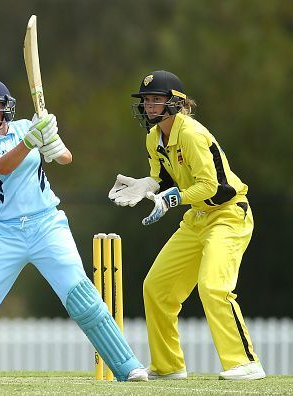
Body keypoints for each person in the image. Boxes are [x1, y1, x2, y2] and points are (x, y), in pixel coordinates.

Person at [0, 78, 147, 382]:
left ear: (5, 108)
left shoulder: (25, 127)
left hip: (47, 224)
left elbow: (65, 158)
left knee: (81, 297)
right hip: (5, 233)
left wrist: (51, 140)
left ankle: (128, 367)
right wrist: (31, 141)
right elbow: (3, 165)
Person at [108, 70, 266, 380]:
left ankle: (246, 363)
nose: (149, 107)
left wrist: (169, 200)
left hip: (229, 215)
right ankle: (168, 367)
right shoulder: (153, 138)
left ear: (176, 103)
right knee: (157, 288)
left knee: (213, 286)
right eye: (146, 101)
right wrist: (146, 186)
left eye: (156, 101)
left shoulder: (192, 134)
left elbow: (209, 186)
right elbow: (163, 178)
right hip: (197, 218)